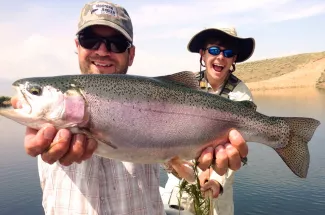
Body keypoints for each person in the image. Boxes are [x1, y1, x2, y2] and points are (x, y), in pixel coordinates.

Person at [12, 2, 250, 214]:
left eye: (116, 44)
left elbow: (173, 161)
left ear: (131, 54)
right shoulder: (48, 117)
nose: (102, 50)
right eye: (90, 40)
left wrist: (201, 167)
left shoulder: (155, 98)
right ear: (77, 45)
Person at [162, 27, 256, 215]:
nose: (221, 57)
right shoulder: (184, 87)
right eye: (214, 50)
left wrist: (217, 181)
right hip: (178, 185)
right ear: (203, 55)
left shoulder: (241, 95)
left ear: (233, 59)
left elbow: (236, 151)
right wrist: (172, 165)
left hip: (216, 193)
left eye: (228, 53)